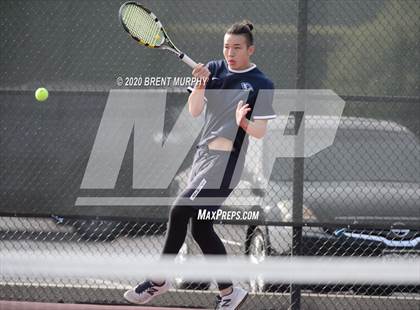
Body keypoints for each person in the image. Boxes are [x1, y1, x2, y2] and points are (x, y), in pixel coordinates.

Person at [124, 20, 276, 310]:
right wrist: (202, 84)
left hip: (225, 164)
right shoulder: (214, 69)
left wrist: (243, 122)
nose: (230, 52)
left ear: (250, 49)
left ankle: (159, 278)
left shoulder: (261, 84)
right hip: (202, 159)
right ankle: (230, 292)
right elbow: (195, 111)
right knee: (201, 230)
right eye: (226, 46)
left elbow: (260, 132)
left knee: (180, 209)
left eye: (237, 47)